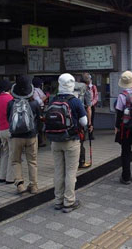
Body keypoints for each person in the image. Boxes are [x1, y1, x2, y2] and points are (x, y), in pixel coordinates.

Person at [50, 73, 88, 213]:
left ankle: (58, 200)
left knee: (59, 170)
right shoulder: (75, 101)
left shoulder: (53, 99)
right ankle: (69, 201)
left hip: (55, 140)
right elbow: (84, 122)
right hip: (71, 140)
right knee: (71, 172)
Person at [7, 75, 42, 194]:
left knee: (16, 161)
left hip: (15, 137)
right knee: (32, 161)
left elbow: (9, 119)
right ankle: (34, 186)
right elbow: (39, 119)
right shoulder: (34, 104)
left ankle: (20, 185)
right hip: (31, 136)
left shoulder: (11, 104)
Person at [76, 76, 93, 169]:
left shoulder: (73, 88)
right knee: (81, 141)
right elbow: (89, 108)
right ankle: (81, 162)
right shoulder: (86, 90)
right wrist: (90, 123)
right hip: (81, 119)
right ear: (88, 81)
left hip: (71, 120)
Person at [82, 73, 98, 140]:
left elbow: (96, 96)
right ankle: (83, 135)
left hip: (91, 106)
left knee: (91, 120)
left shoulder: (93, 87)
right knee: (83, 120)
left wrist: (92, 103)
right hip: (83, 106)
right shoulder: (82, 87)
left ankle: (90, 135)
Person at [32, 77, 47, 147]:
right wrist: (46, 97)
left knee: (41, 125)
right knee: (39, 125)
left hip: (41, 109)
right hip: (39, 109)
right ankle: (39, 141)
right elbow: (39, 101)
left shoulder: (38, 90)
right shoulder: (35, 91)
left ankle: (40, 141)